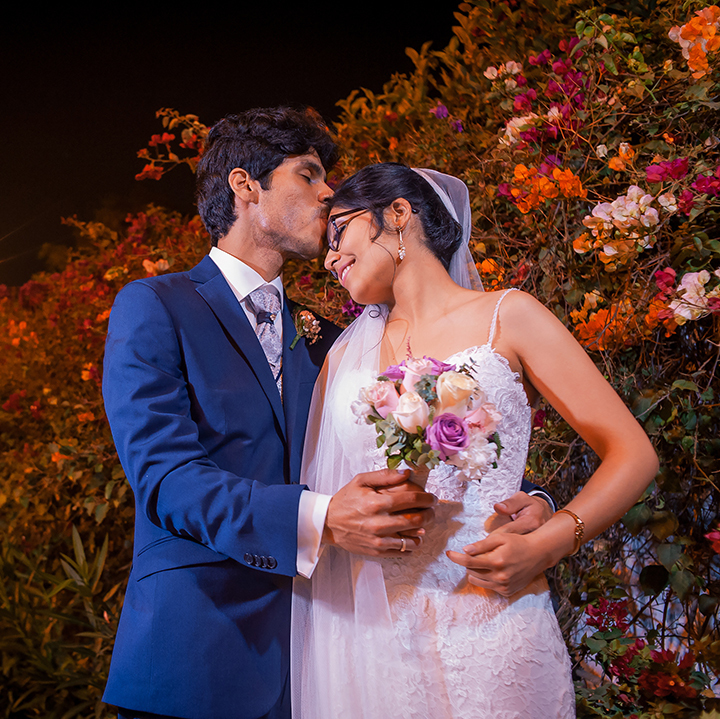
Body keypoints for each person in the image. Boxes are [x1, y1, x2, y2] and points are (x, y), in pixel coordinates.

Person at [101, 108, 551, 719]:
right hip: (196, 653)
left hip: (321, 663)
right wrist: (322, 517)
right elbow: (165, 479)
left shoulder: (334, 342)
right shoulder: (157, 305)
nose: (328, 193)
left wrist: (525, 500)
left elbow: (422, 439)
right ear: (245, 186)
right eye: (308, 174)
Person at [291, 164, 659, 718]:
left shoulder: (508, 316)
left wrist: (551, 541)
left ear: (397, 214)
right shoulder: (341, 360)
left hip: (494, 613)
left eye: (339, 230)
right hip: (375, 639)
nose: (329, 257)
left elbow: (633, 453)